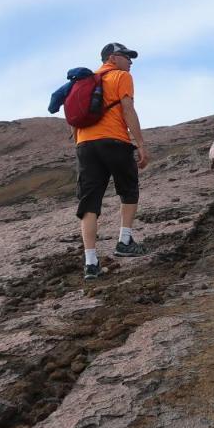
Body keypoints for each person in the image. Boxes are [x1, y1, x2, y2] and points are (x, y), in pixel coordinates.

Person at [75, 43, 150, 281]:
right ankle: (124, 241)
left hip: (85, 144)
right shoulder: (121, 77)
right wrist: (140, 143)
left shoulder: (83, 82)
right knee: (128, 189)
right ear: (113, 58)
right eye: (127, 57)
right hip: (114, 140)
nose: (130, 62)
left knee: (89, 202)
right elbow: (128, 109)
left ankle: (90, 263)